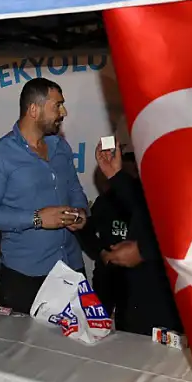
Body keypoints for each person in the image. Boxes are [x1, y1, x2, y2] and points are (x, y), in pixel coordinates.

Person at [0, 78, 89, 314]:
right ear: (34, 110)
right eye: (57, 105)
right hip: (25, 277)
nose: (64, 112)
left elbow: (76, 191)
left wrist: (80, 213)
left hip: (71, 268)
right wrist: (37, 219)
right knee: (22, 349)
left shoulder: (61, 148)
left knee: (74, 349)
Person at [78, 142, 182, 335]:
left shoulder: (189, 176)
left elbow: (191, 230)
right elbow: (144, 207)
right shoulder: (116, 197)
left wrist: (144, 251)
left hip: (165, 302)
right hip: (132, 298)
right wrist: (116, 176)